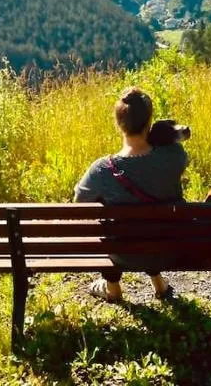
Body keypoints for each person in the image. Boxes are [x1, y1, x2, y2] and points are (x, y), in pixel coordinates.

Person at [74, 87, 188, 302]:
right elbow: (173, 156)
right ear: (149, 123)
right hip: (168, 247)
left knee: (108, 214)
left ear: (119, 124)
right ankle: (159, 283)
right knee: (151, 219)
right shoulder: (174, 156)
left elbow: (80, 201)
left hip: (124, 253)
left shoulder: (101, 169)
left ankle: (113, 289)